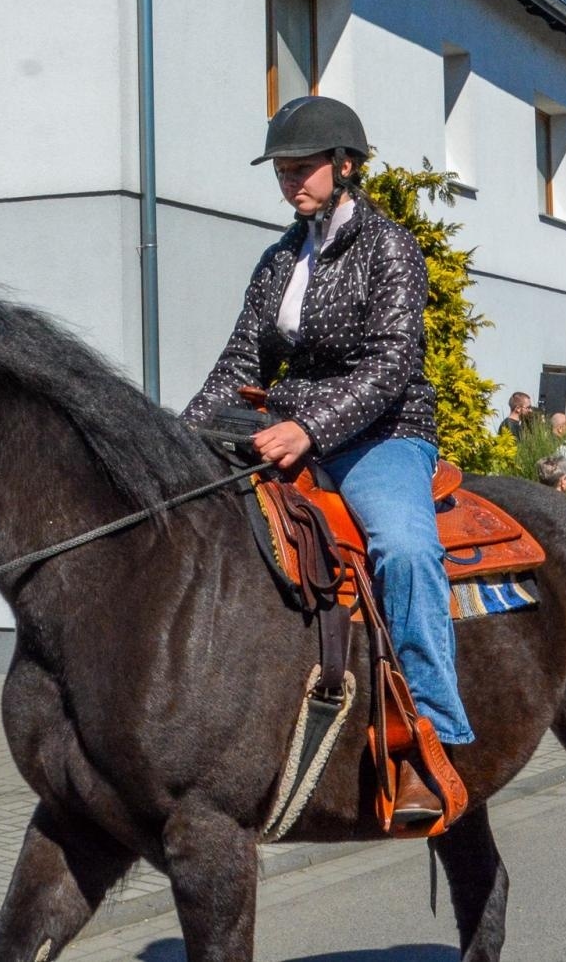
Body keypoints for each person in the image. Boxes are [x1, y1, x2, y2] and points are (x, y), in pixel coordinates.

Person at [181, 95, 460, 825]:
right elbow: (241, 362)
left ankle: (431, 737)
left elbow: (393, 363)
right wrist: (176, 441)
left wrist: (310, 427)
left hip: (381, 433)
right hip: (286, 427)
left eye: (300, 167)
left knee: (404, 550)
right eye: (281, 169)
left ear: (345, 166)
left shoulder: (390, 247)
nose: (288, 181)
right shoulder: (279, 258)